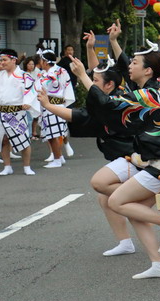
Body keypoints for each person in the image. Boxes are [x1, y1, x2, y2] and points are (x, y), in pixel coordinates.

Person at [70, 42, 160, 279]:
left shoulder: (147, 95)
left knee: (116, 201)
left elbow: (108, 105)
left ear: (148, 70)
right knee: (135, 212)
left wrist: (83, 76)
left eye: (134, 63)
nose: (129, 66)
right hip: (155, 163)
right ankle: (157, 264)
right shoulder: (153, 91)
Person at [39, 33, 136, 256]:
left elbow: (78, 114)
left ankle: (156, 216)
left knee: (102, 185)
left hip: (135, 157)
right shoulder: (111, 91)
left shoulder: (117, 102)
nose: (91, 82)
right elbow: (95, 78)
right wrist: (91, 48)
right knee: (105, 199)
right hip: (120, 156)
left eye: (96, 81)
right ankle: (125, 242)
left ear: (110, 84)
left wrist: (48, 105)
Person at [0, 49, 40, 176]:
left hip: (17, 113)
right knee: (3, 140)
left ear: (13, 60)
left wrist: (28, 102)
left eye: (4, 60)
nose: (2, 63)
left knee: (24, 140)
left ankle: (27, 166)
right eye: (0, 60)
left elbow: (32, 91)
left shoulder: (24, 76)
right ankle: (7, 166)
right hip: (1, 113)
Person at [36, 50, 75, 168]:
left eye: (41, 60)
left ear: (45, 62)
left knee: (53, 134)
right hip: (50, 106)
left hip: (54, 105)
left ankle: (57, 159)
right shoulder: (51, 72)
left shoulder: (57, 72)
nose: (40, 63)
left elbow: (60, 86)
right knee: (52, 134)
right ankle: (60, 156)